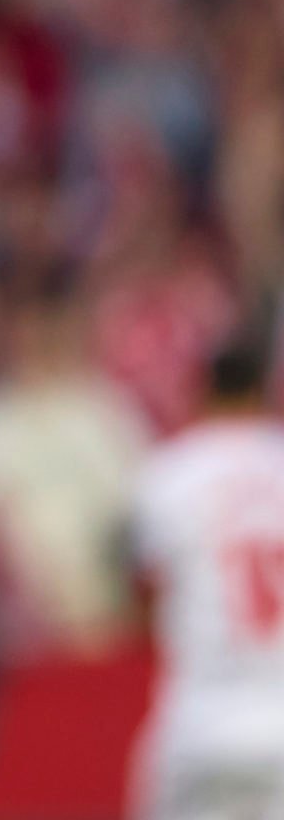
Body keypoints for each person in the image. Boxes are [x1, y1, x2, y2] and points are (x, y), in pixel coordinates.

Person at [128, 328, 284, 820]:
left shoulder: (171, 472)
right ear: (264, 390)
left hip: (199, 715)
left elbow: (144, 590)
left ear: (202, 391)